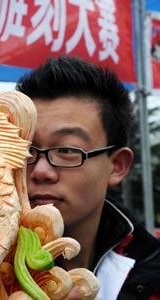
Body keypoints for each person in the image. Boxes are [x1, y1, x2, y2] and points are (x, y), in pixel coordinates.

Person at [15, 55, 160, 300]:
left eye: (68, 151)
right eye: (27, 150)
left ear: (117, 166)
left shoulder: (152, 271)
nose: (40, 171)